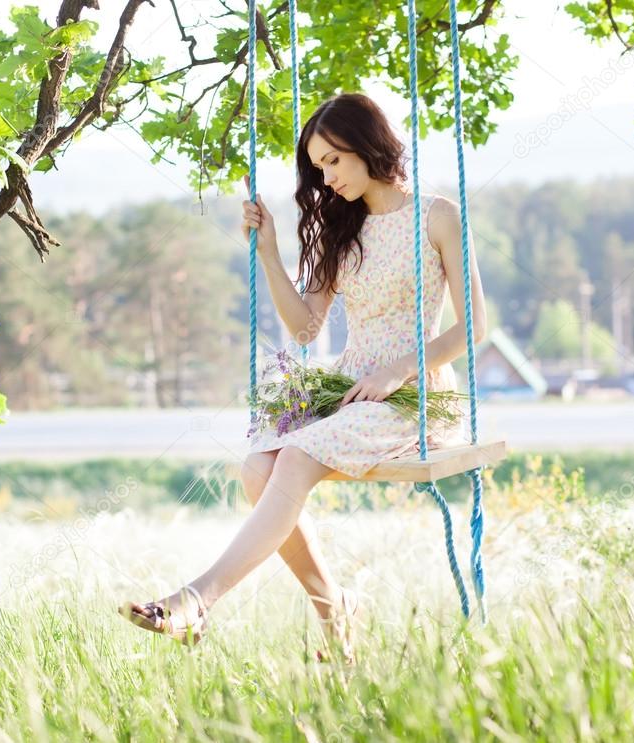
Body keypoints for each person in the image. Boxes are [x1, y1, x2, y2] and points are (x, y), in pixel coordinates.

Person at [119, 92, 488, 663]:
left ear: (367, 146)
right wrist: (269, 254)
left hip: (412, 393)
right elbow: (308, 328)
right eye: (318, 167)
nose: (327, 177)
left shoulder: (436, 215)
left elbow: (474, 328)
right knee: (254, 468)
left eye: (334, 160)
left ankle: (196, 600)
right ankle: (337, 609)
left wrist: (398, 371)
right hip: (350, 390)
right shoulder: (343, 228)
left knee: (290, 460)